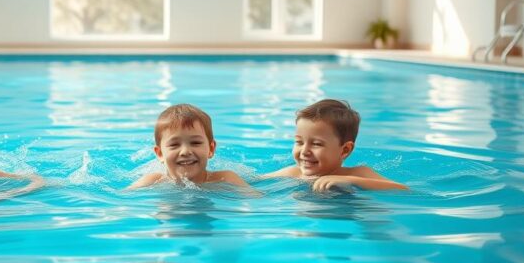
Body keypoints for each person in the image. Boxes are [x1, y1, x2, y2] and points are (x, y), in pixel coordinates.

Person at [262, 99, 406, 191]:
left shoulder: (357, 173)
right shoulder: (292, 173)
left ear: (345, 150)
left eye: (316, 144)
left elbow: (402, 189)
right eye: (299, 142)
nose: (304, 151)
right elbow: (255, 186)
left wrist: (350, 181)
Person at [128, 103, 249, 189]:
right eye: (174, 144)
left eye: (195, 143)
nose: (185, 151)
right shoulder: (153, 182)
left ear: (211, 149)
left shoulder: (225, 179)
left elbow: (256, 199)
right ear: (160, 154)